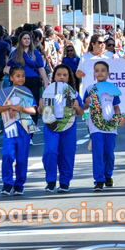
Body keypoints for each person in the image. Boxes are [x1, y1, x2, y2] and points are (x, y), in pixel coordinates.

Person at [41, 64, 84, 193]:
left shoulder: (74, 93)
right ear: (54, 76)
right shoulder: (48, 91)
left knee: (67, 154)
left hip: (68, 126)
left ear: (69, 78)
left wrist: (77, 107)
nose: (61, 77)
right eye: (58, 74)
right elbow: (40, 111)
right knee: (50, 151)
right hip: (50, 125)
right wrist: (40, 106)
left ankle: (65, 182)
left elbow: (81, 112)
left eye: (65, 75)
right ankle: (51, 181)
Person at [0, 65, 36, 195]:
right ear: (11, 77)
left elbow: (33, 110)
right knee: (7, 154)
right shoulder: (4, 92)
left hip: (24, 127)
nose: (21, 78)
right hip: (10, 127)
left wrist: (21, 108)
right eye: (18, 76)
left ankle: (19, 184)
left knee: (22, 158)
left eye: (23, 76)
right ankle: (7, 183)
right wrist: (10, 106)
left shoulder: (27, 92)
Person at [83, 60, 124, 191]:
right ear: (94, 73)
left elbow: (116, 107)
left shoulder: (112, 89)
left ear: (108, 73)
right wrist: (86, 102)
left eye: (102, 70)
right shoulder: (90, 89)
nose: (99, 73)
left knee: (109, 153)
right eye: (97, 70)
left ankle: (108, 175)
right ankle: (99, 180)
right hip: (95, 126)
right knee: (98, 153)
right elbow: (84, 106)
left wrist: (117, 119)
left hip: (110, 126)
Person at [5, 31, 47, 121]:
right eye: (24, 38)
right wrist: (14, 75)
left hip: (33, 81)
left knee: (32, 105)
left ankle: (31, 130)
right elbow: (7, 69)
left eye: (28, 38)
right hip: (20, 82)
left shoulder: (35, 53)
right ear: (20, 40)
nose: (27, 40)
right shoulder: (15, 53)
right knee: (20, 105)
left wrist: (46, 83)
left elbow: (41, 69)